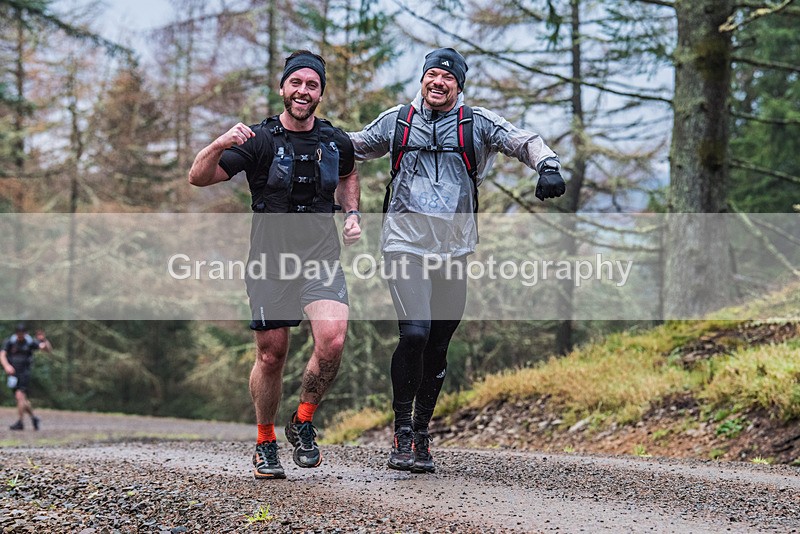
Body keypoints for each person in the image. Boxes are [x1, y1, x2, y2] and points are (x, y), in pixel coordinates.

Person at [348, 47, 565, 473]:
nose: (439, 82)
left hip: (454, 250)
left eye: (448, 77)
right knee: (415, 333)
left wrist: (548, 166)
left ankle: (421, 432)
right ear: (422, 79)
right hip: (404, 244)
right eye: (432, 74)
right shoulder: (397, 121)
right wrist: (304, 137)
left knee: (438, 344)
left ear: (458, 86)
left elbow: (523, 141)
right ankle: (401, 432)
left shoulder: (475, 123)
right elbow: (351, 145)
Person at [188, 50, 361, 480]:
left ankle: (302, 420)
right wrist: (219, 143)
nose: (303, 91)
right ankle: (265, 441)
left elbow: (348, 174)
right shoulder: (259, 139)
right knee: (271, 355)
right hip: (269, 262)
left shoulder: (334, 140)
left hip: (321, 258)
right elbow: (199, 176)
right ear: (282, 88)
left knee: (333, 341)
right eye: (296, 83)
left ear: (320, 92)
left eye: (312, 84)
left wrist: (352, 213)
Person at [1, 323, 52, 431]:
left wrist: (44, 340)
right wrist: (6, 366)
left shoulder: (30, 342)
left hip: (24, 373)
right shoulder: (10, 342)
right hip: (13, 374)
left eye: (22, 334)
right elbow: (2, 355)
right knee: (22, 399)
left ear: (25, 334)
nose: (20, 336)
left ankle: (20, 422)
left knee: (20, 396)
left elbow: (46, 349)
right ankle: (34, 418)